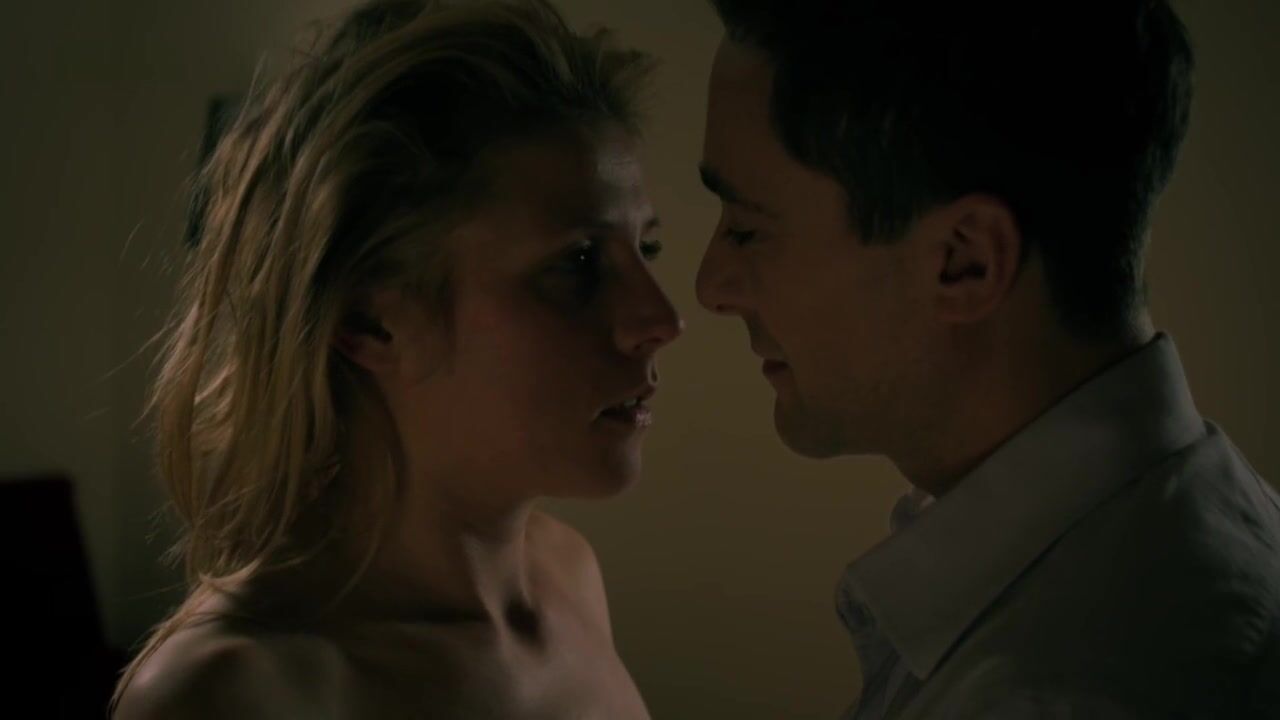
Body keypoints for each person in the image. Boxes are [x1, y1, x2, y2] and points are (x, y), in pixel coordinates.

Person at [695, 1, 1280, 717]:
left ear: (964, 262)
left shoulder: (1064, 693)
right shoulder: (1188, 539)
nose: (709, 287)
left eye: (746, 230)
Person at [112, 1, 681, 717]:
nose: (661, 319)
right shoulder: (240, 692)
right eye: (578, 262)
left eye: (647, 248)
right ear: (370, 321)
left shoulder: (569, 579)